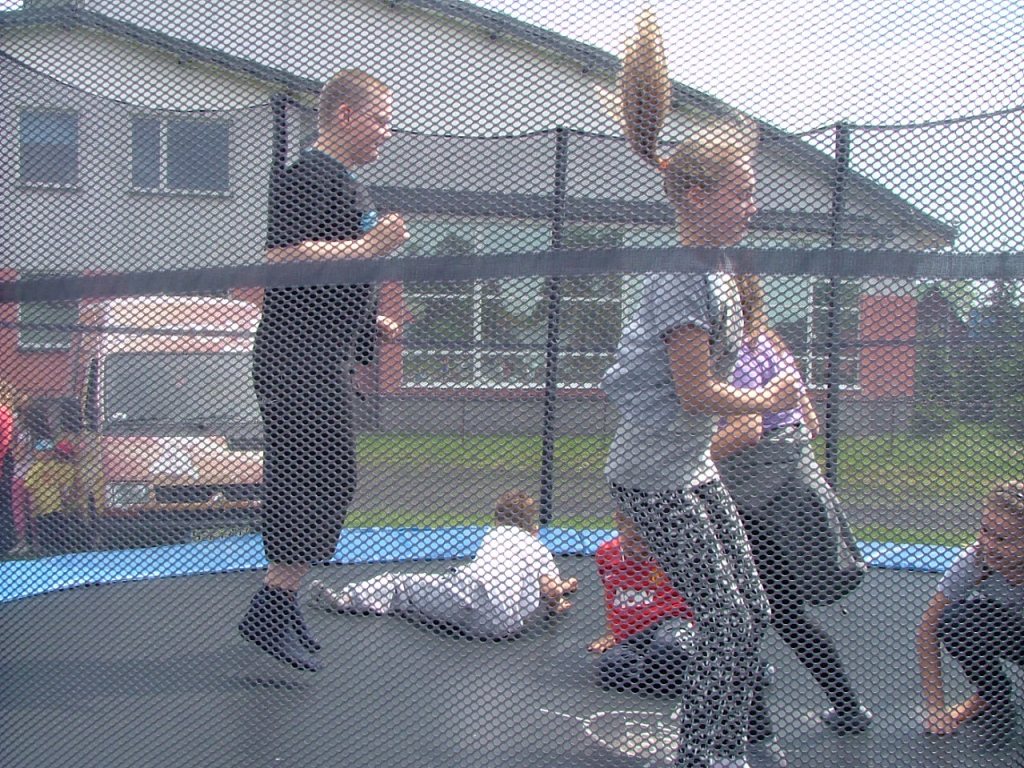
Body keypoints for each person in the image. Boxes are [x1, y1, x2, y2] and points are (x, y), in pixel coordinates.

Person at [600, 12, 801, 768]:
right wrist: (768, 402)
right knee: (725, 619)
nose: (754, 204)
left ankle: (740, 737)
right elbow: (695, 392)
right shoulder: (682, 275)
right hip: (654, 475)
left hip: (690, 467)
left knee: (751, 609)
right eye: (742, 192)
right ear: (694, 196)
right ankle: (706, 754)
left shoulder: (714, 267)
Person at [238, 69, 409, 672]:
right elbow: (281, 259)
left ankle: (280, 602)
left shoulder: (347, 183)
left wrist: (368, 322)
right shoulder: (309, 175)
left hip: (320, 356)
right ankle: (272, 603)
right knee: (315, 477)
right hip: (297, 360)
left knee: (324, 477)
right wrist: (368, 249)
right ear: (344, 115)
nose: (386, 132)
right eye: (380, 119)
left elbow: (327, 284)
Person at [711, 276, 872, 736]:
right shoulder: (772, 345)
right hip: (788, 500)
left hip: (760, 506)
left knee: (740, 613)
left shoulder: (738, 354)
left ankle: (754, 726)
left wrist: (687, 461)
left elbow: (747, 429)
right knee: (782, 614)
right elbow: (811, 423)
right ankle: (848, 707)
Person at [307, 490, 578, 639]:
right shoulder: (537, 547)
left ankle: (347, 598)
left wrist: (558, 591)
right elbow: (550, 589)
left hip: (466, 597)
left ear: (497, 521)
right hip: (502, 626)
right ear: (533, 528)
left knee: (398, 584)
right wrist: (558, 602)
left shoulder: (496, 533)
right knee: (493, 590)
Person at [917, 481, 1024, 749]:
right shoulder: (973, 562)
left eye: (1002, 539)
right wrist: (935, 708)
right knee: (956, 621)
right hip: (1015, 633)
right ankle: (991, 696)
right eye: (985, 531)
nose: (989, 545)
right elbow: (927, 629)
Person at [588, 509, 695, 697]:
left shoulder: (671, 555)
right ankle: (665, 679)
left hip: (671, 624)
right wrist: (611, 633)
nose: (638, 550)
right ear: (620, 524)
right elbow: (611, 595)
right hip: (634, 637)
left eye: (645, 542)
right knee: (609, 666)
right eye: (633, 541)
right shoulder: (607, 554)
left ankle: (669, 672)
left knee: (667, 648)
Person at [0, 381, 18, 554]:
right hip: (6, 459)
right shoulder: (8, 413)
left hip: (3, 461)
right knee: (5, 502)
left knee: (4, 503)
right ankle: (7, 540)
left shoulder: (2, 413)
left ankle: (5, 541)